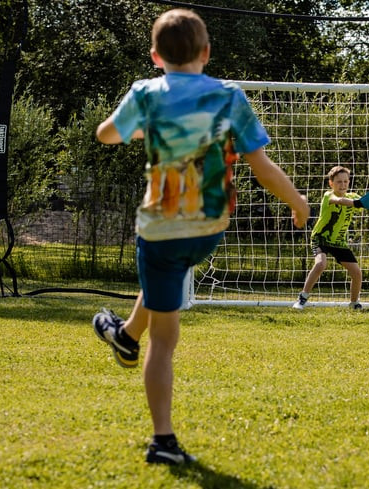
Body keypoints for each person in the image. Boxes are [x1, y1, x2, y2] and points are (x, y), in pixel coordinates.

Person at [91, 8, 309, 466]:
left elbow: (106, 135)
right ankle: (126, 334)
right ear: (207, 52)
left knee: (164, 340)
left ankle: (162, 441)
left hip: (162, 226)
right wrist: (298, 202)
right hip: (210, 228)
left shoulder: (145, 93)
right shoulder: (230, 96)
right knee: (164, 283)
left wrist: (132, 127)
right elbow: (263, 168)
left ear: (155, 56)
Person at [292, 166, 369, 310]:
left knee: (357, 273)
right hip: (321, 238)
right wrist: (357, 203)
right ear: (331, 183)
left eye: (346, 181)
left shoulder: (353, 197)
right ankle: (302, 299)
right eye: (339, 182)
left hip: (339, 242)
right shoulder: (328, 195)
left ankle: (354, 303)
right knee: (321, 264)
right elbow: (340, 201)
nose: (343, 184)